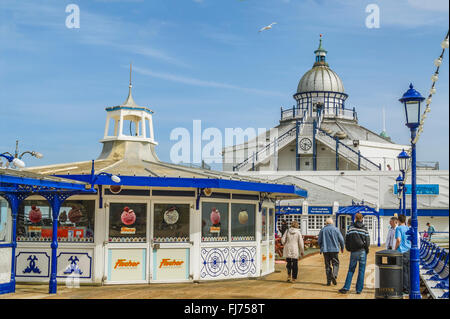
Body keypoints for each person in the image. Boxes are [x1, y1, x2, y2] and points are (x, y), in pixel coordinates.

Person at [339, 213, 370, 294]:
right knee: (361, 270)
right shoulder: (365, 228)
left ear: (355, 218)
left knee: (351, 270)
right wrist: (366, 250)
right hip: (362, 251)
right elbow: (367, 241)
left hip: (354, 251)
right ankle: (359, 290)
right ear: (362, 219)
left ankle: (346, 287)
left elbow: (347, 239)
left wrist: (348, 248)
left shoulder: (351, 228)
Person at [318, 218, 345, 286]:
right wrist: (342, 247)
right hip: (334, 250)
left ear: (326, 223)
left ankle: (328, 281)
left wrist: (321, 248)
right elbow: (341, 239)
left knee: (327, 265)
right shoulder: (336, 229)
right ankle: (334, 275)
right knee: (336, 263)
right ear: (332, 223)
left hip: (326, 250)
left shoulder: (323, 230)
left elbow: (319, 241)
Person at [395, 214, 411, 295]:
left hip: (402, 251)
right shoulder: (408, 228)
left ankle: (405, 289)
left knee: (404, 271)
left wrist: (395, 249)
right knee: (408, 271)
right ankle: (408, 288)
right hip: (409, 251)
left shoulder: (398, 228)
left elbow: (398, 240)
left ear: (398, 220)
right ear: (404, 220)